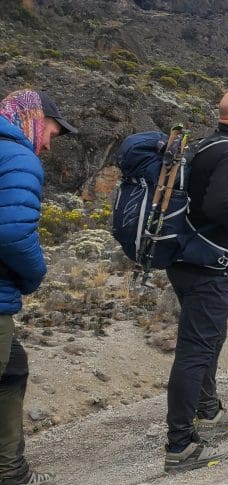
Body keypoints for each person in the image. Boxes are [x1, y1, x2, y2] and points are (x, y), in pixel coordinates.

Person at [163, 89, 228, 473]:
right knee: (196, 349)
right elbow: (221, 207)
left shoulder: (206, 146)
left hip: (188, 260)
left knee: (208, 340)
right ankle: (180, 445)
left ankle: (207, 411)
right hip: (208, 266)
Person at [0, 90, 72, 485]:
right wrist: (34, 274)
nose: (47, 144)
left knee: (14, 368)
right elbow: (12, 234)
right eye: (50, 132)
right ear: (33, 118)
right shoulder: (18, 156)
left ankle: (11, 472)